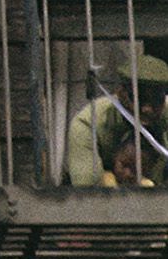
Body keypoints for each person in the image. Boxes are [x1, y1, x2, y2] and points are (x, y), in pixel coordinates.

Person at [66, 53, 168, 188]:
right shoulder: (87, 123)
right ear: (120, 93)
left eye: (156, 100)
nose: (147, 109)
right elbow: (88, 191)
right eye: (138, 98)